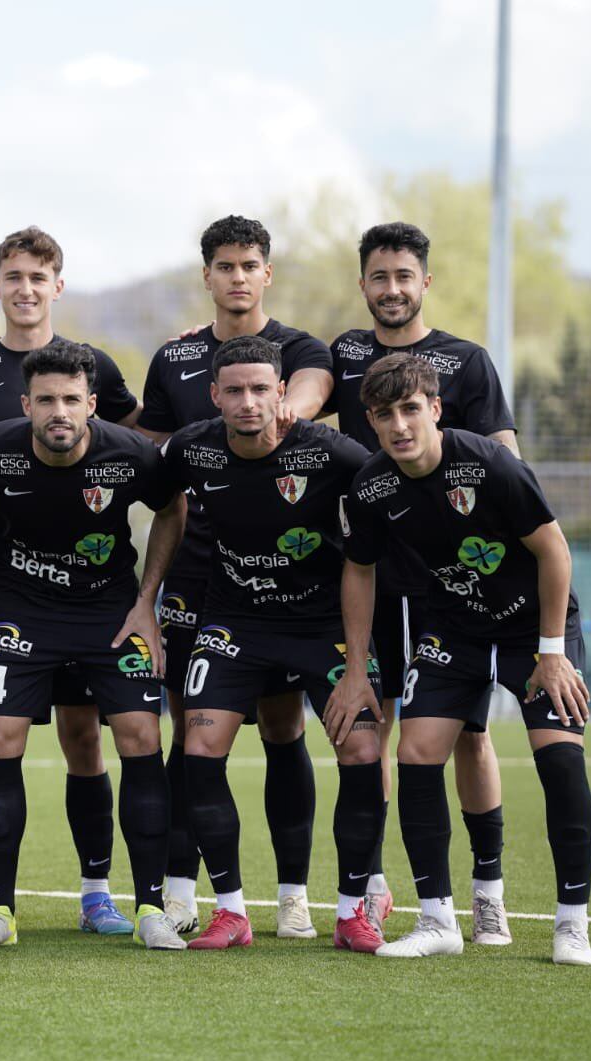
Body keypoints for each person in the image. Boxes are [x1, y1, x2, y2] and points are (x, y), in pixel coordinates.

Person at [329, 353, 591, 966]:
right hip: (452, 630)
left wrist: (552, 654)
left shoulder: (489, 463)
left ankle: (572, 925)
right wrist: (354, 668)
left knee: (558, 758)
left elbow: (554, 551)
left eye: (411, 410)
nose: (399, 425)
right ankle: (437, 921)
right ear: (370, 421)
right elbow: (360, 570)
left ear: (435, 409)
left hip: (533, 629)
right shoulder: (372, 484)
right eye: (385, 415)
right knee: (416, 751)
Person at [0, 226, 144, 937]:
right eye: (13, 276)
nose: (25, 289)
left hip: (90, 593)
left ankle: (97, 892)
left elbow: (135, 447)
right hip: (0, 588)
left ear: (57, 285)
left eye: (38, 277)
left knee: (86, 738)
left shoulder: (92, 368)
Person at [0, 339, 188, 951]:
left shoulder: (131, 454)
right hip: (18, 614)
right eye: (47, 400)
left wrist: (147, 603)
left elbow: (172, 510)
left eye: (72, 400)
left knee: (140, 736)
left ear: (92, 404)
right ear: (26, 404)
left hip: (109, 616)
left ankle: (150, 908)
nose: (60, 411)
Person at [138, 214, 336, 937]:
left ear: (267, 273)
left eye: (250, 264)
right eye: (225, 265)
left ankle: (292, 895)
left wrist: (289, 409)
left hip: (283, 577)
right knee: (191, 728)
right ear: (208, 276)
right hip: (196, 573)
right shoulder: (175, 359)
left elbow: (311, 391)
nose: (238, 276)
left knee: (284, 725)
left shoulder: (301, 349)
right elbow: (153, 460)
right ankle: (184, 887)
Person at [324, 222, 520, 944]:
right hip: (372, 577)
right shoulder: (345, 353)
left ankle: (487, 889)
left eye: (405, 275)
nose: (393, 289)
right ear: (364, 284)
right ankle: (374, 888)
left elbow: (506, 461)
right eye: (379, 276)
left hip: (449, 588)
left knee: (467, 735)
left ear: (425, 282)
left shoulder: (465, 362)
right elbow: (287, 380)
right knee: (372, 729)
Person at [162, 335, 386, 952]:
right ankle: (230, 911)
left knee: (364, 752)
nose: (248, 401)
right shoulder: (192, 449)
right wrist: (143, 599)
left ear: (282, 393)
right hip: (234, 623)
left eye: (261, 388)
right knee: (199, 745)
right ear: (214, 395)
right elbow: (161, 506)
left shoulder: (330, 452)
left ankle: (350, 912)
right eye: (233, 390)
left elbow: (378, 524)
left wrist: (361, 656)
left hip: (320, 628)